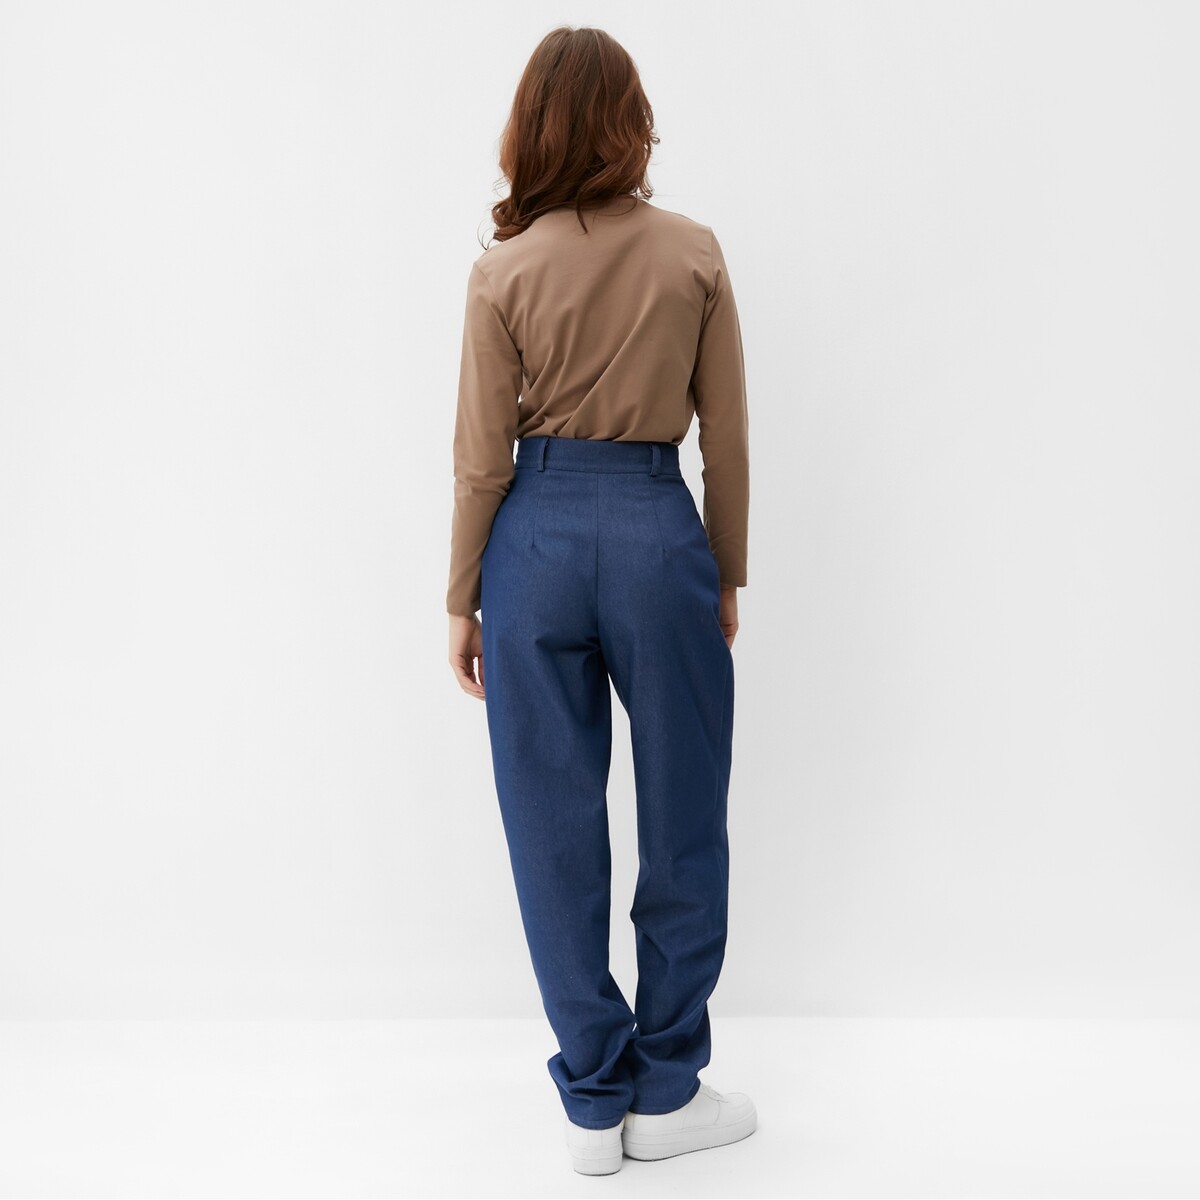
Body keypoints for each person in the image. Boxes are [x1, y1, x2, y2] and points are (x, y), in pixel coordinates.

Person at [445, 26, 755, 1176]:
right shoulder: (694, 253)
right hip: (656, 531)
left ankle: (592, 1098)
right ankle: (665, 1089)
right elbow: (726, 436)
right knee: (684, 812)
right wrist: (726, 568)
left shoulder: (502, 270)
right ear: (634, 125)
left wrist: (462, 596)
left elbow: (480, 459)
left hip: (531, 537)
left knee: (549, 820)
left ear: (528, 129)